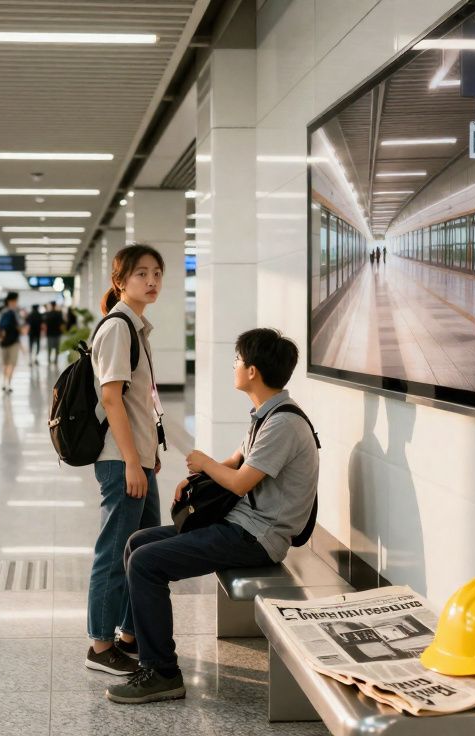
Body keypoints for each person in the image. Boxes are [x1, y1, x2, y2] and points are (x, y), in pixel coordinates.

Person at [107, 328, 318, 704]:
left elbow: (239, 483)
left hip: (257, 537)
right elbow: (236, 462)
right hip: (240, 524)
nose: (233, 366)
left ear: (252, 371)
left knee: (145, 563)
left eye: (237, 359)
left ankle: (163, 673)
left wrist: (203, 461)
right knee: (137, 542)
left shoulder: (283, 423)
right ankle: (144, 642)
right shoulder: (265, 415)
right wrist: (195, 478)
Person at [85, 244, 165, 677]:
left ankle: (129, 635)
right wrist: (133, 462)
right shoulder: (118, 327)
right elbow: (111, 398)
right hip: (121, 461)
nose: (151, 282)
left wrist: (148, 456)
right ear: (120, 282)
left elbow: (138, 402)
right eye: (140, 274)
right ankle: (99, 645)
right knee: (115, 550)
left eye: (156, 273)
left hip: (137, 457)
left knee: (146, 547)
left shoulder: (137, 327)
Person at [0, 292, 24, 392]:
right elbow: (20, 326)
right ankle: (8, 384)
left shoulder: (2, 312)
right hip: (13, 342)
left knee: (5, 364)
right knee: (11, 364)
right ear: (11, 301)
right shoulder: (14, 313)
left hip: (4, 342)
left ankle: (4, 382)